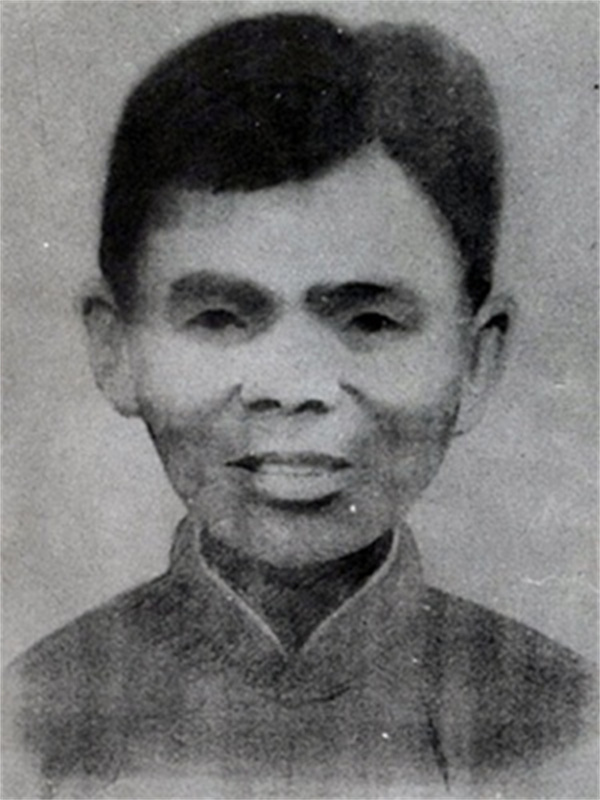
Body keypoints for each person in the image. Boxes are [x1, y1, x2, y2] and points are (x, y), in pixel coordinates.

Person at [4, 11, 596, 799]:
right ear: (116, 350)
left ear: (476, 359)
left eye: (370, 321)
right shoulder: (29, 728)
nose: (291, 387)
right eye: (220, 318)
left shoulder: (568, 730)